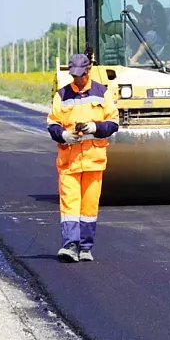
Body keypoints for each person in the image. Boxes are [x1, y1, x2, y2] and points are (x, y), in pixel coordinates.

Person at [46, 54, 120, 262]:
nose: (77, 79)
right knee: (70, 205)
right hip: (69, 162)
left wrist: (95, 127)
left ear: (88, 70)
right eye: (74, 75)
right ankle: (70, 245)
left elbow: (113, 123)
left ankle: (85, 247)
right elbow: (52, 124)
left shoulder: (102, 93)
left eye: (81, 75)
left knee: (89, 207)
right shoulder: (62, 95)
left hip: (93, 161)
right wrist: (64, 135)